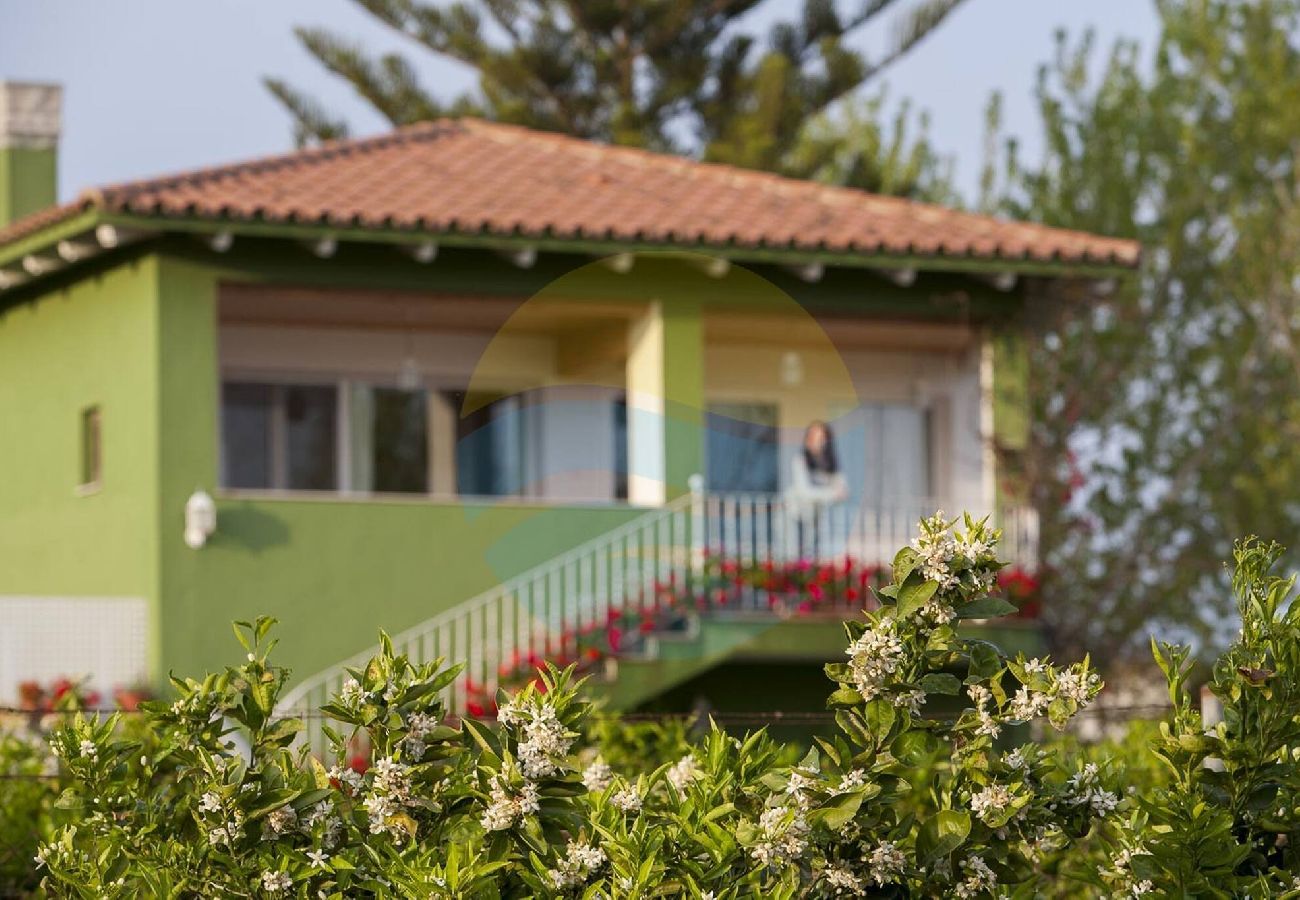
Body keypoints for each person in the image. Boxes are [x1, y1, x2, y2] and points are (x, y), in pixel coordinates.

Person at [787, 421, 849, 558]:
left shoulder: (830, 464)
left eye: (821, 438)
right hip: (796, 515)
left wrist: (832, 493)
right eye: (813, 437)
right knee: (796, 556)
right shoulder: (800, 460)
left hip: (816, 517)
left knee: (814, 556)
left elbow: (843, 490)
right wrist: (832, 494)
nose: (817, 442)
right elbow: (804, 493)